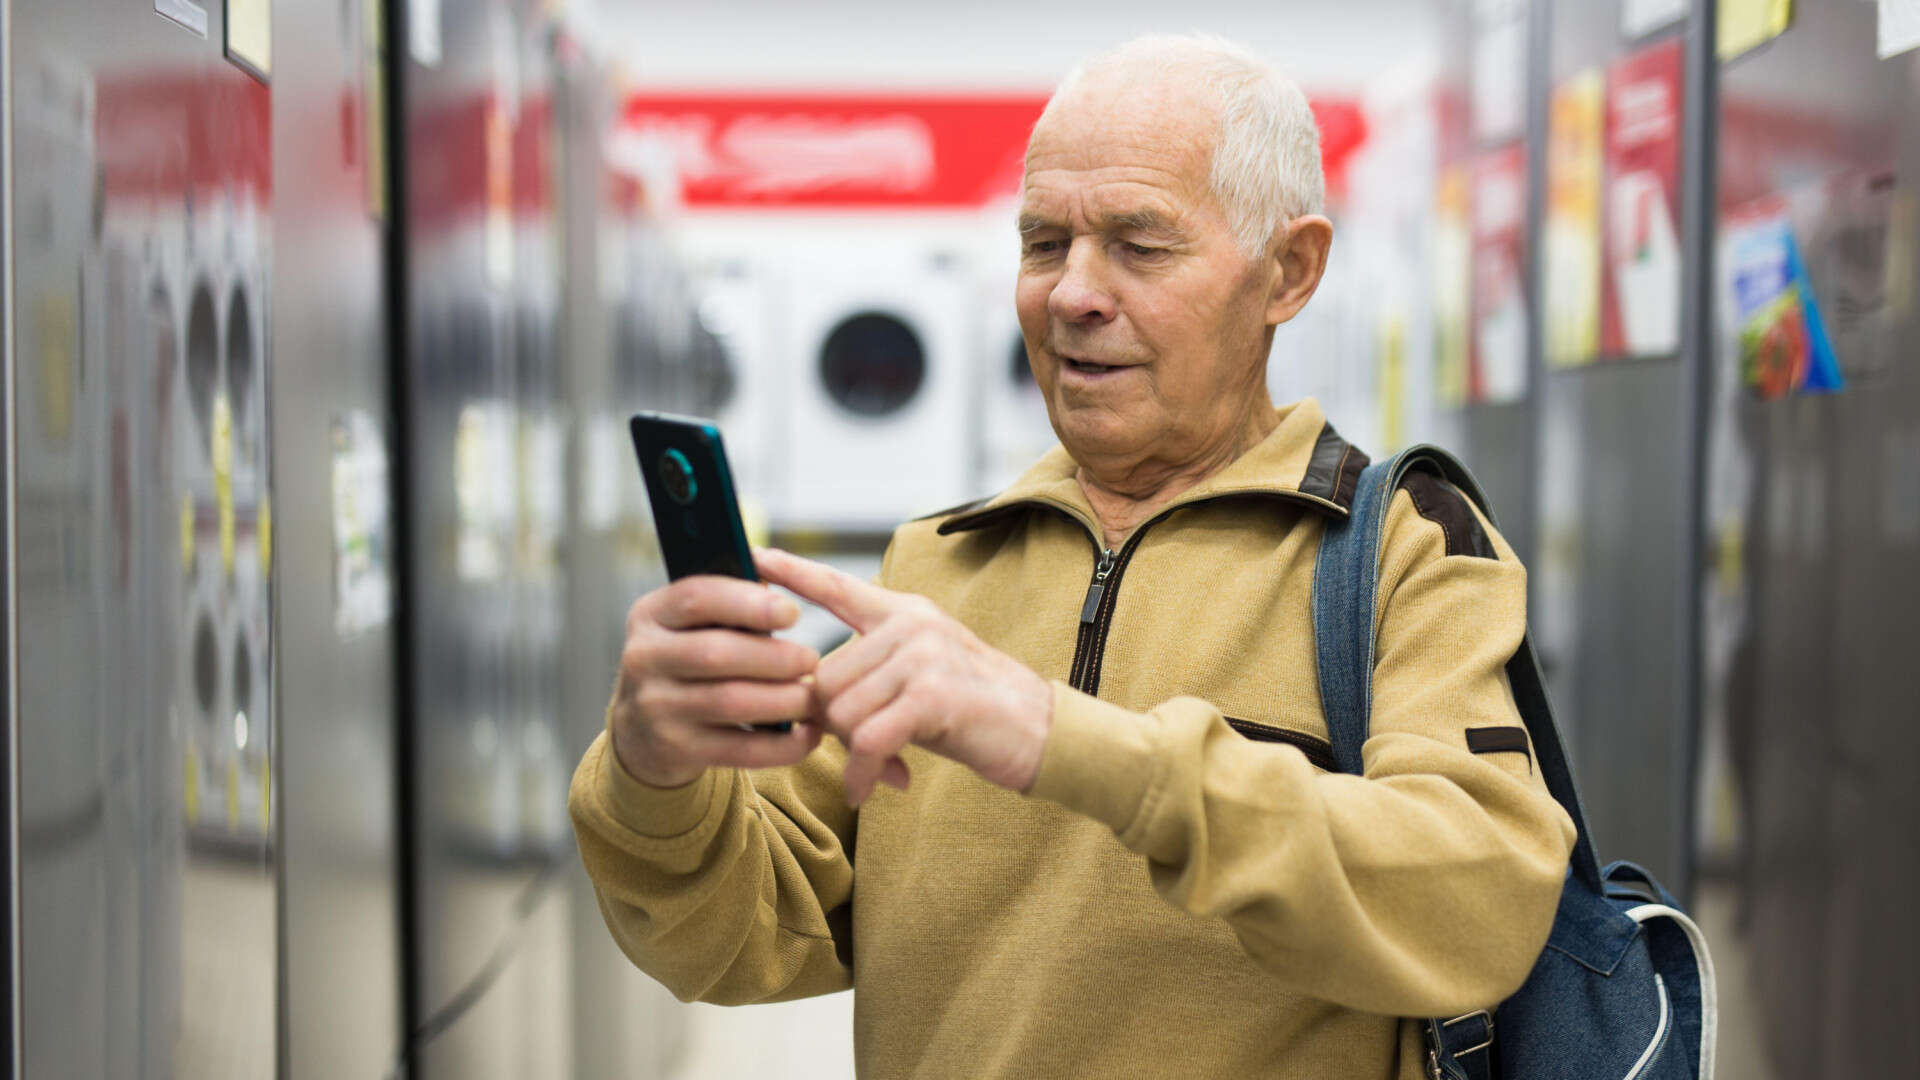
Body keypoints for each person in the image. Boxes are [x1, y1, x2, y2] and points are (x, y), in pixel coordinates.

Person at [570, 33, 1575, 1078]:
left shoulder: (1402, 548)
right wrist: (655, 771)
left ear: (1289, 271)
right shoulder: (940, 565)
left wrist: (1064, 739)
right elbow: (739, 942)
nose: (1071, 295)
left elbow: (1479, 908)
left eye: (1140, 246)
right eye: (1044, 244)